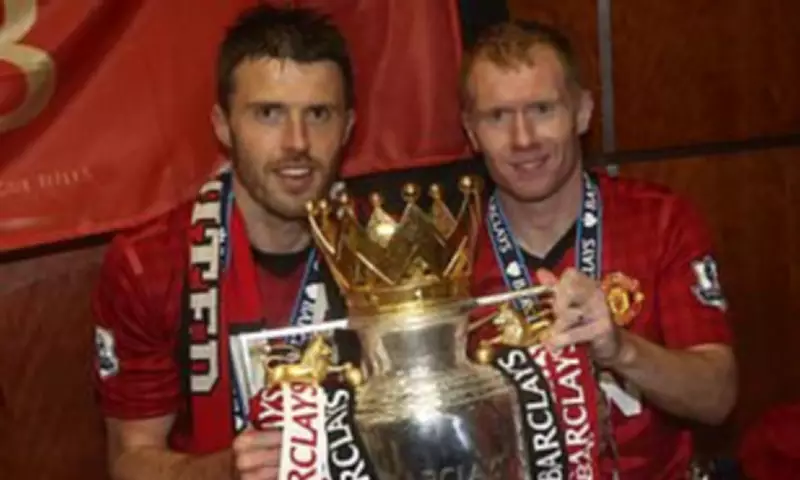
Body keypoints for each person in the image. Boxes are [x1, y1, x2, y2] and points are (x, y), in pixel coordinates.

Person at [462, 21, 737, 479]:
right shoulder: (453, 255)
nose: (523, 138)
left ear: (583, 113)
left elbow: (717, 397)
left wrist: (620, 349)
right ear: (471, 132)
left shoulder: (660, 220)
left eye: (542, 109)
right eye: (497, 117)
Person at [91, 5, 355, 480]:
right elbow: (130, 459)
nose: (297, 142)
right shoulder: (149, 265)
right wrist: (227, 472)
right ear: (222, 125)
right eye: (269, 113)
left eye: (319, 114)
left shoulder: (386, 249)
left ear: (348, 127)